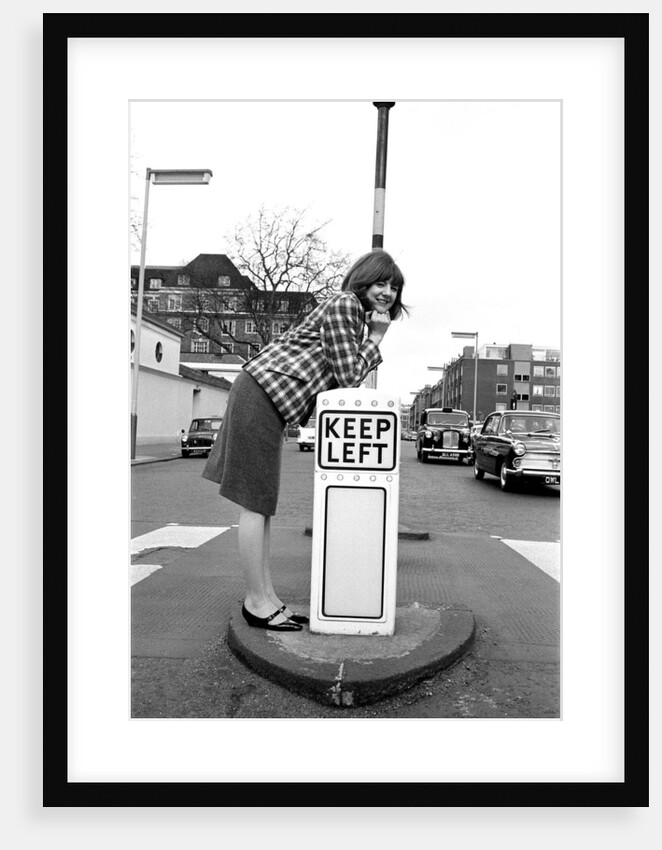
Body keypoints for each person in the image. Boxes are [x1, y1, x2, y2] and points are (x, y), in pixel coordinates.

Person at [202, 249, 407, 631]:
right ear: (363, 280)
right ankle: (256, 600)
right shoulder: (346, 305)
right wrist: (377, 337)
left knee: (261, 502)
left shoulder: (349, 315)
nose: (387, 293)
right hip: (263, 392)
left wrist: (370, 337)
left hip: (266, 395)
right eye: (381, 282)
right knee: (254, 501)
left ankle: (266, 597)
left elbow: (341, 372)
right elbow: (348, 376)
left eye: (394, 287)